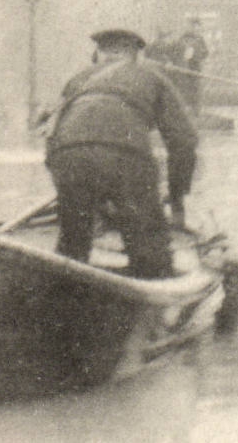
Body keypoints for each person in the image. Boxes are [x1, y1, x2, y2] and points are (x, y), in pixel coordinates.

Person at [42, 29, 198, 278]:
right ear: (136, 55)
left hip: (66, 154)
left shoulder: (77, 79)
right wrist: (177, 197)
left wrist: (65, 183)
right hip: (126, 155)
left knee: (73, 242)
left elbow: (49, 132)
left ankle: (65, 291)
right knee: (150, 248)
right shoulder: (152, 76)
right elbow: (184, 142)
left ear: (97, 55)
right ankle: (151, 285)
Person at [174, 17, 210, 112]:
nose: (195, 29)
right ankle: (185, 110)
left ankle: (196, 110)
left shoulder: (200, 39)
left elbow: (206, 52)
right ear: (189, 27)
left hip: (196, 67)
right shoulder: (183, 38)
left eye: (197, 27)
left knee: (197, 89)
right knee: (185, 88)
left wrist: (200, 55)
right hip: (184, 67)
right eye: (193, 26)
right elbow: (177, 52)